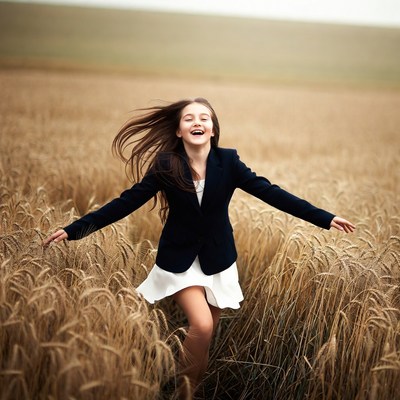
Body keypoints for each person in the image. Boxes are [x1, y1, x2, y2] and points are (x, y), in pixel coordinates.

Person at [43, 97, 355, 398]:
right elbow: (126, 202)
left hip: (218, 260)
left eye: (204, 118)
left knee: (202, 340)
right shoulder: (167, 164)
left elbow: (272, 194)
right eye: (189, 118)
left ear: (213, 129)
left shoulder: (228, 161)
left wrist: (325, 218)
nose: (197, 122)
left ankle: (187, 392)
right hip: (179, 260)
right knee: (202, 325)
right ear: (179, 131)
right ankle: (184, 396)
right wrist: (73, 231)